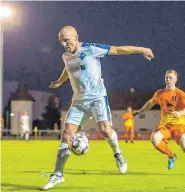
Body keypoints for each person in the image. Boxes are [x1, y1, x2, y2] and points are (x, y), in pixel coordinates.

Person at [42, 25, 154, 190]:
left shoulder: (91, 49)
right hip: (78, 102)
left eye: (67, 40)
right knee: (66, 134)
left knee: (105, 130)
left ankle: (118, 155)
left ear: (76, 37)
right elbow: (68, 69)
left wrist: (141, 49)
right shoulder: (65, 56)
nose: (64, 44)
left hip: (97, 99)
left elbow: (118, 50)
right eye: (61, 41)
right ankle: (58, 174)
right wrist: (59, 81)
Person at [133, 70, 185, 176]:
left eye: (171, 77)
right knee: (154, 139)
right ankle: (171, 156)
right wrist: (139, 111)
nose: (168, 79)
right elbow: (150, 103)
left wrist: (180, 113)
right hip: (165, 125)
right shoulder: (159, 93)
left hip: (179, 125)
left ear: (176, 79)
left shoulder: (180, 93)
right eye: (166, 77)